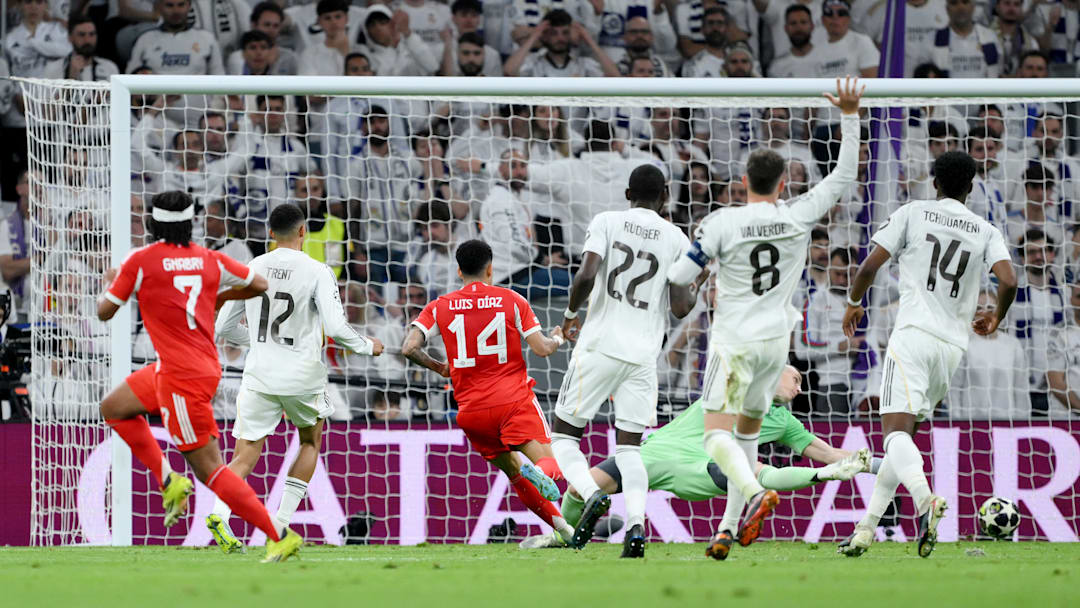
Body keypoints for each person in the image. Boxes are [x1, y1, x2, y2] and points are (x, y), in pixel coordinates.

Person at [666, 77, 863, 561]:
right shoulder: (798, 215)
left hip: (734, 341)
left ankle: (754, 492)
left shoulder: (721, 222)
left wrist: (700, 277)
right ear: (782, 184)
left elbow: (678, 275)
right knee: (748, 439)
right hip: (777, 345)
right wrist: (850, 115)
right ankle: (727, 529)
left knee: (716, 435)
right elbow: (843, 175)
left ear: (742, 182)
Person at [94, 191, 302, 563]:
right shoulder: (210, 259)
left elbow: (105, 312)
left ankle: (279, 535)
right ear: (191, 223)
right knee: (114, 407)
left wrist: (108, 283)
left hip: (181, 377)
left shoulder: (140, 261)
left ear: (152, 223)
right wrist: (219, 298)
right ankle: (168, 480)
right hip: (194, 366)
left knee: (210, 470)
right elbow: (259, 284)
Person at [838, 150, 1018, 558]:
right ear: (971, 187)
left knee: (894, 437)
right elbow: (1009, 280)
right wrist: (996, 317)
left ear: (934, 182)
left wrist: (853, 302)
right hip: (951, 349)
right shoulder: (985, 230)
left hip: (913, 336)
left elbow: (868, 268)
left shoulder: (913, 212)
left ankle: (925, 500)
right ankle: (866, 528)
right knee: (902, 442)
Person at [522, 366, 873, 548]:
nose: (799, 388)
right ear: (772, 372)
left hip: (696, 465)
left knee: (756, 472)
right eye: (794, 379)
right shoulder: (739, 384)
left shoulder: (784, 421)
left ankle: (824, 476)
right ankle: (564, 537)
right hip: (652, 452)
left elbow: (828, 452)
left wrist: (868, 463)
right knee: (579, 491)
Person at [209, 204, 384, 552]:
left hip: (259, 374)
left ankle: (219, 513)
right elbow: (335, 327)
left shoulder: (253, 267)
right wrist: (367, 345)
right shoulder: (318, 270)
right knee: (309, 443)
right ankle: (279, 526)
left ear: (271, 233)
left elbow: (223, 326)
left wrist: (260, 342)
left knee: (244, 455)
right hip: (302, 375)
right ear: (303, 231)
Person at [551, 164, 698, 558]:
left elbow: (587, 274)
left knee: (564, 437)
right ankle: (636, 525)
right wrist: (697, 285)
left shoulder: (607, 220)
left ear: (628, 193)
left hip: (599, 345)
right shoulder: (676, 238)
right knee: (630, 450)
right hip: (643, 356)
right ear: (665, 196)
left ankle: (590, 492)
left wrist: (570, 315)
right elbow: (681, 307)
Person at [401, 239, 577, 546]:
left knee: (514, 473)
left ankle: (565, 533)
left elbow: (409, 347)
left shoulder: (439, 306)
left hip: (472, 412)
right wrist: (558, 338)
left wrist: (440, 368)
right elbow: (541, 349)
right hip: (512, 401)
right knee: (551, 465)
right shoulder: (511, 299)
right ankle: (540, 473)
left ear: (459, 271)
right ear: (491, 269)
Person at [126, 0, 225, 75]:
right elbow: (130, 79)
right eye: (169, 5)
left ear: (189, 6)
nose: (176, 11)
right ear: (159, 7)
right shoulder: (145, 39)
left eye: (181, 5)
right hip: (158, 97)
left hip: (198, 97)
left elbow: (219, 79)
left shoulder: (207, 39)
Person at [41, 15, 120, 81]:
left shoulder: (110, 68)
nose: (87, 40)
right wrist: (71, 78)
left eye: (92, 34)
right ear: (70, 37)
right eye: (81, 35)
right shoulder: (53, 69)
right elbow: (47, 96)